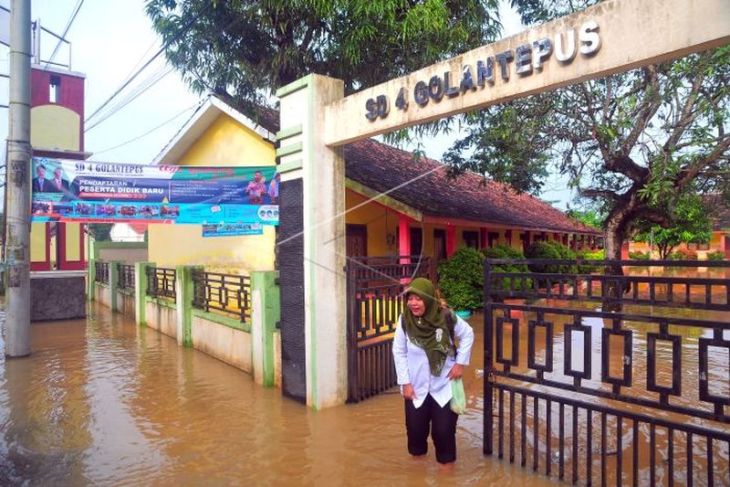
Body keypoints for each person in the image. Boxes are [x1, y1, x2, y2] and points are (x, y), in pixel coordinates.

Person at [392, 277, 474, 467]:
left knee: (443, 433)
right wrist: (405, 383)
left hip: (444, 386)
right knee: (415, 433)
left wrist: (460, 363)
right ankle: (417, 474)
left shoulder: (446, 316)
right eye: (410, 298)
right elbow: (399, 351)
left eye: (418, 298)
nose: (413, 303)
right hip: (415, 388)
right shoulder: (405, 320)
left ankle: (446, 474)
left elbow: (468, 334)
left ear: (428, 298)